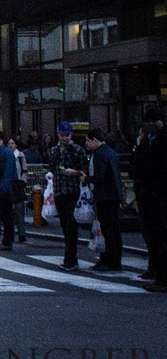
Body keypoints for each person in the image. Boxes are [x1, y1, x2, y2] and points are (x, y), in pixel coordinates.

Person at [132, 107, 167, 291]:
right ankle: (156, 271)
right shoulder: (147, 141)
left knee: (161, 236)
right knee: (152, 235)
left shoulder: (161, 140)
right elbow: (137, 161)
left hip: (158, 195)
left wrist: (155, 190)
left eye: (154, 122)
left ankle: (163, 277)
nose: (150, 126)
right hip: (148, 193)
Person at [48, 121, 87, 271]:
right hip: (59, 190)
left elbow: (84, 170)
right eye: (61, 135)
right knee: (65, 225)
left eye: (66, 135)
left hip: (73, 191)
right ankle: (69, 256)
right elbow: (51, 167)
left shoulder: (77, 150)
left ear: (71, 135)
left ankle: (70, 258)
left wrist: (75, 172)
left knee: (71, 225)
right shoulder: (54, 150)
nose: (63, 138)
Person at [83, 128, 123, 272]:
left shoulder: (99, 154)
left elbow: (100, 177)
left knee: (107, 230)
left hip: (105, 196)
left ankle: (109, 261)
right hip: (114, 195)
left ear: (95, 140)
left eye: (88, 140)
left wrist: (86, 178)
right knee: (114, 230)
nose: (87, 144)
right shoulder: (111, 152)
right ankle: (113, 259)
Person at [8, 137, 29, 243]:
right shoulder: (6, 155)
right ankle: (10, 234)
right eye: (9, 143)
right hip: (9, 184)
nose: (10, 145)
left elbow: (24, 170)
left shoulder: (20, 156)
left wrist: (23, 182)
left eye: (12, 143)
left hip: (18, 184)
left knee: (19, 209)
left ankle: (22, 234)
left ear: (16, 145)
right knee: (9, 211)